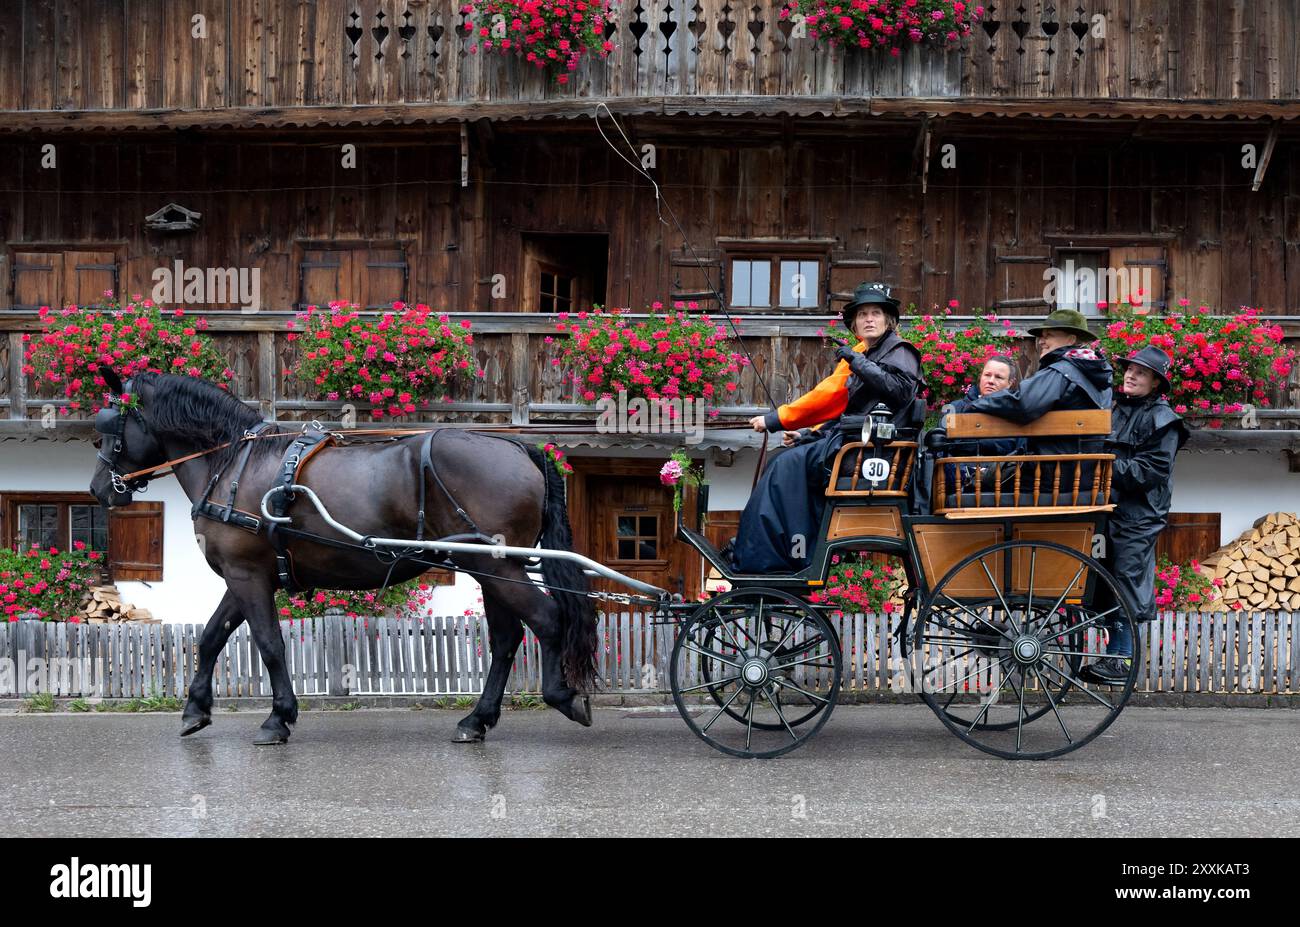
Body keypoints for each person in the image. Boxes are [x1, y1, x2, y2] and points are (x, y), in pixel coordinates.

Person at [730, 282, 922, 574]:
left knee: (786, 466)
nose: (869, 319)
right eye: (862, 315)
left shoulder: (900, 350)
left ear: (889, 321)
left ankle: (770, 557)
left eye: (876, 313)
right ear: (854, 324)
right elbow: (849, 413)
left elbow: (899, 391)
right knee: (779, 458)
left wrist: (856, 360)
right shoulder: (870, 355)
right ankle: (771, 550)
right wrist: (808, 434)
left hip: (871, 453)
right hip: (855, 446)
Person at [1079, 346, 1189, 685]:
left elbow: (1151, 471)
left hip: (1140, 515)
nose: (1130, 375)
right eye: (1128, 369)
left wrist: (1103, 468)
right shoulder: (1114, 408)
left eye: (1140, 372)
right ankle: (1111, 653)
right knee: (1104, 576)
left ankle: (1121, 658)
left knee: (1126, 576)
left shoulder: (1164, 420)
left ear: (1156, 382)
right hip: (1108, 509)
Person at [957, 308, 1114, 493]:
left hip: (1053, 477)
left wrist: (977, 403)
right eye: (1041, 336)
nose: (1041, 341)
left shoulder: (1063, 370)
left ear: (1071, 340)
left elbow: (1022, 404)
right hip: (1082, 474)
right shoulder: (1093, 372)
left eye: (1049, 335)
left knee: (977, 486)